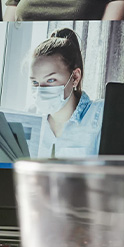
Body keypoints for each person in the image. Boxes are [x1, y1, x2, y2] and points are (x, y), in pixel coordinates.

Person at [28, 28, 104, 158]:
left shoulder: (101, 113)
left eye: (51, 80)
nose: (41, 89)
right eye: (35, 82)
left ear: (75, 77)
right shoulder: (28, 117)